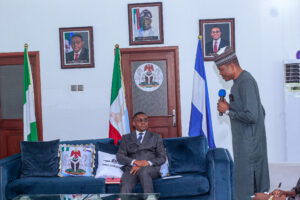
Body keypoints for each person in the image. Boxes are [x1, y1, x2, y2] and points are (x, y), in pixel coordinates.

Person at [215, 47, 270, 200]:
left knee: (248, 190)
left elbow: (253, 115)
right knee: (244, 187)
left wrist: (228, 111)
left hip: (250, 147)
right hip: (245, 144)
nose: (220, 73)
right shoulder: (238, 83)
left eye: (221, 69)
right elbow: (260, 111)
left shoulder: (246, 82)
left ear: (231, 65)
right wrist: (231, 107)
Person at [116, 112, 166, 193]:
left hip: (150, 169)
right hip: (132, 169)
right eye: (140, 120)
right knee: (125, 185)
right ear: (134, 123)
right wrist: (135, 162)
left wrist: (146, 163)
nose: (143, 122)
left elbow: (162, 157)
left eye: (145, 120)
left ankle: (150, 198)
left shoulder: (156, 137)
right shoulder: (126, 138)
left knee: (144, 171)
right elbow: (120, 156)